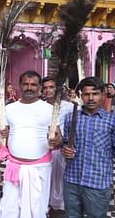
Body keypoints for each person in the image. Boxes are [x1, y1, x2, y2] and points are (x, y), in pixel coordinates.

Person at [0, 70, 61, 218]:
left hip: (40, 169)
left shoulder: (50, 110)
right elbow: (1, 141)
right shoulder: (9, 109)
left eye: (33, 85)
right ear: (20, 85)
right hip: (14, 167)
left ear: (39, 88)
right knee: (9, 209)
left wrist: (57, 140)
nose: (29, 87)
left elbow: (59, 137)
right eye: (25, 84)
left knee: (36, 210)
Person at [62, 77, 115, 218]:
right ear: (81, 96)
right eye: (86, 94)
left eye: (95, 94)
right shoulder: (71, 118)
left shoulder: (114, 121)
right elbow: (66, 142)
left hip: (97, 183)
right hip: (71, 180)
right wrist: (64, 149)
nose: (91, 98)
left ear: (103, 95)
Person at [42, 76, 74, 217]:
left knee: (58, 185)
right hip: (42, 152)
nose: (48, 90)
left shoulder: (69, 107)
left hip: (60, 152)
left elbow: (73, 131)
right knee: (43, 184)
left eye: (51, 87)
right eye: (45, 87)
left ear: (58, 89)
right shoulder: (40, 106)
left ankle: (56, 212)